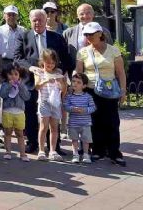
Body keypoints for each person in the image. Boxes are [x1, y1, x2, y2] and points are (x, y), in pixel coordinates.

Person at [13, 9, 68, 154]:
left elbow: (66, 58)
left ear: (46, 20)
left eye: (40, 20)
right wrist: (31, 68)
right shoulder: (23, 36)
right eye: (34, 20)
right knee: (30, 113)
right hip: (30, 82)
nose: (37, 23)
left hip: (52, 84)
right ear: (30, 21)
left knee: (52, 114)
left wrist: (58, 71)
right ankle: (32, 143)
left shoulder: (57, 37)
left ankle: (54, 146)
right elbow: (17, 58)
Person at [75, 21, 127, 166]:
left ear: (100, 33)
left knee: (112, 121)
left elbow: (121, 72)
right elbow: (79, 73)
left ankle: (114, 152)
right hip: (90, 90)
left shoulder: (113, 50)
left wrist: (123, 90)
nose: (89, 37)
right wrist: (77, 91)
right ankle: (98, 151)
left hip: (109, 91)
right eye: (86, 34)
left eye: (91, 34)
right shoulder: (83, 52)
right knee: (94, 122)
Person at [30, 49, 67, 161]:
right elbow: (37, 86)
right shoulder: (39, 72)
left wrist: (61, 82)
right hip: (44, 102)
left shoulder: (59, 73)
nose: (50, 65)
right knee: (43, 127)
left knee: (54, 128)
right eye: (47, 62)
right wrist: (46, 80)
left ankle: (52, 151)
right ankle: (41, 150)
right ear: (43, 61)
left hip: (56, 103)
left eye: (52, 63)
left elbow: (64, 90)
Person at [63, 4, 112, 78]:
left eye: (88, 13)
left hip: (99, 74)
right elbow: (64, 54)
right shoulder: (68, 33)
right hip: (76, 74)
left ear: (93, 14)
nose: (85, 16)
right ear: (77, 16)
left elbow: (110, 51)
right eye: (81, 14)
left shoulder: (104, 32)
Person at [0, 64, 31, 161]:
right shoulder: (5, 84)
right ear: (6, 75)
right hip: (7, 111)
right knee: (7, 132)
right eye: (10, 74)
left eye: (16, 74)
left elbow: (27, 97)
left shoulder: (22, 85)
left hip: (19, 112)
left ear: (20, 75)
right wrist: (9, 85)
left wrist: (20, 86)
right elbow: (2, 95)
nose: (13, 76)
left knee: (20, 134)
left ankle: (23, 154)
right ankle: (8, 152)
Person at [65, 72, 96, 164]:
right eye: (73, 81)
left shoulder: (88, 96)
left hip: (86, 123)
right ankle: (75, 155)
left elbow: (93, 107)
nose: (75, 83)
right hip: (73, 123)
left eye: (78, 82)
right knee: (74, 139)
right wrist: (72, 109)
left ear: (84, 86)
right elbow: (65, 106)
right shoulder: (69, 96)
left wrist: (85, 110)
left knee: (86, 140)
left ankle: (86, 154)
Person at [0, 5, 26, 73]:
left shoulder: (23, 30)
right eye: (9, 15)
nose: (11, 17)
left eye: (14, 15)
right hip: (4, 63)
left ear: (17, 16)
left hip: (19, 63)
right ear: (4, 16)